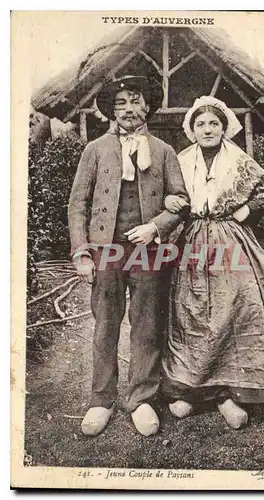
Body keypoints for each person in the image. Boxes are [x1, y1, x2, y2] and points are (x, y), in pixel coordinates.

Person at [161, 96, 264, 429]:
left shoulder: (238, 160)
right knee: (191, 312)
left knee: (234, 309)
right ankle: (192, 391)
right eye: (201, 124)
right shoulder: (181, 160)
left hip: (230, 240)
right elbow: (166, 192)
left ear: (224, 128)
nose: (208, 129)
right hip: (192, 240)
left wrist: (246, 210)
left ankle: (229, 393)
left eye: (214, 124)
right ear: (192, 130)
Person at [68, 75, 189, 437]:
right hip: (105, 251)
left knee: (147, 324)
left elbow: (181, 201)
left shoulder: (164, 151)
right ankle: (100, 400)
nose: (128, 109)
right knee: (105, 324)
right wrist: (81, 253)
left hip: (149, 250)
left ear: (148, 106)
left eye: (135, 101)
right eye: (120, 103)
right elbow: (78, 205)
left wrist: (156, 227)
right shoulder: (95, 150)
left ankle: (141, 399)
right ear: (112, 110)